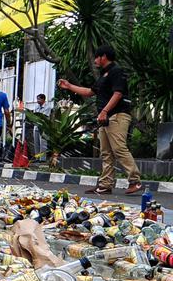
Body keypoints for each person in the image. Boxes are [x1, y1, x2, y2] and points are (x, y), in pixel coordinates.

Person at [59, 45, 142, 195]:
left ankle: (135, 181)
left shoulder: (116, 71)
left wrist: (104, 111)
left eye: (97, 57)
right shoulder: (104, 75)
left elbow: (118, 94)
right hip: (105, 118)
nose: (95, 60)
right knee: (106, 152)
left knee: (119, 148)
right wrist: (69, 86)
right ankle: (105, 184)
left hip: (117, 115)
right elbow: (90, 92)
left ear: (103, 56)